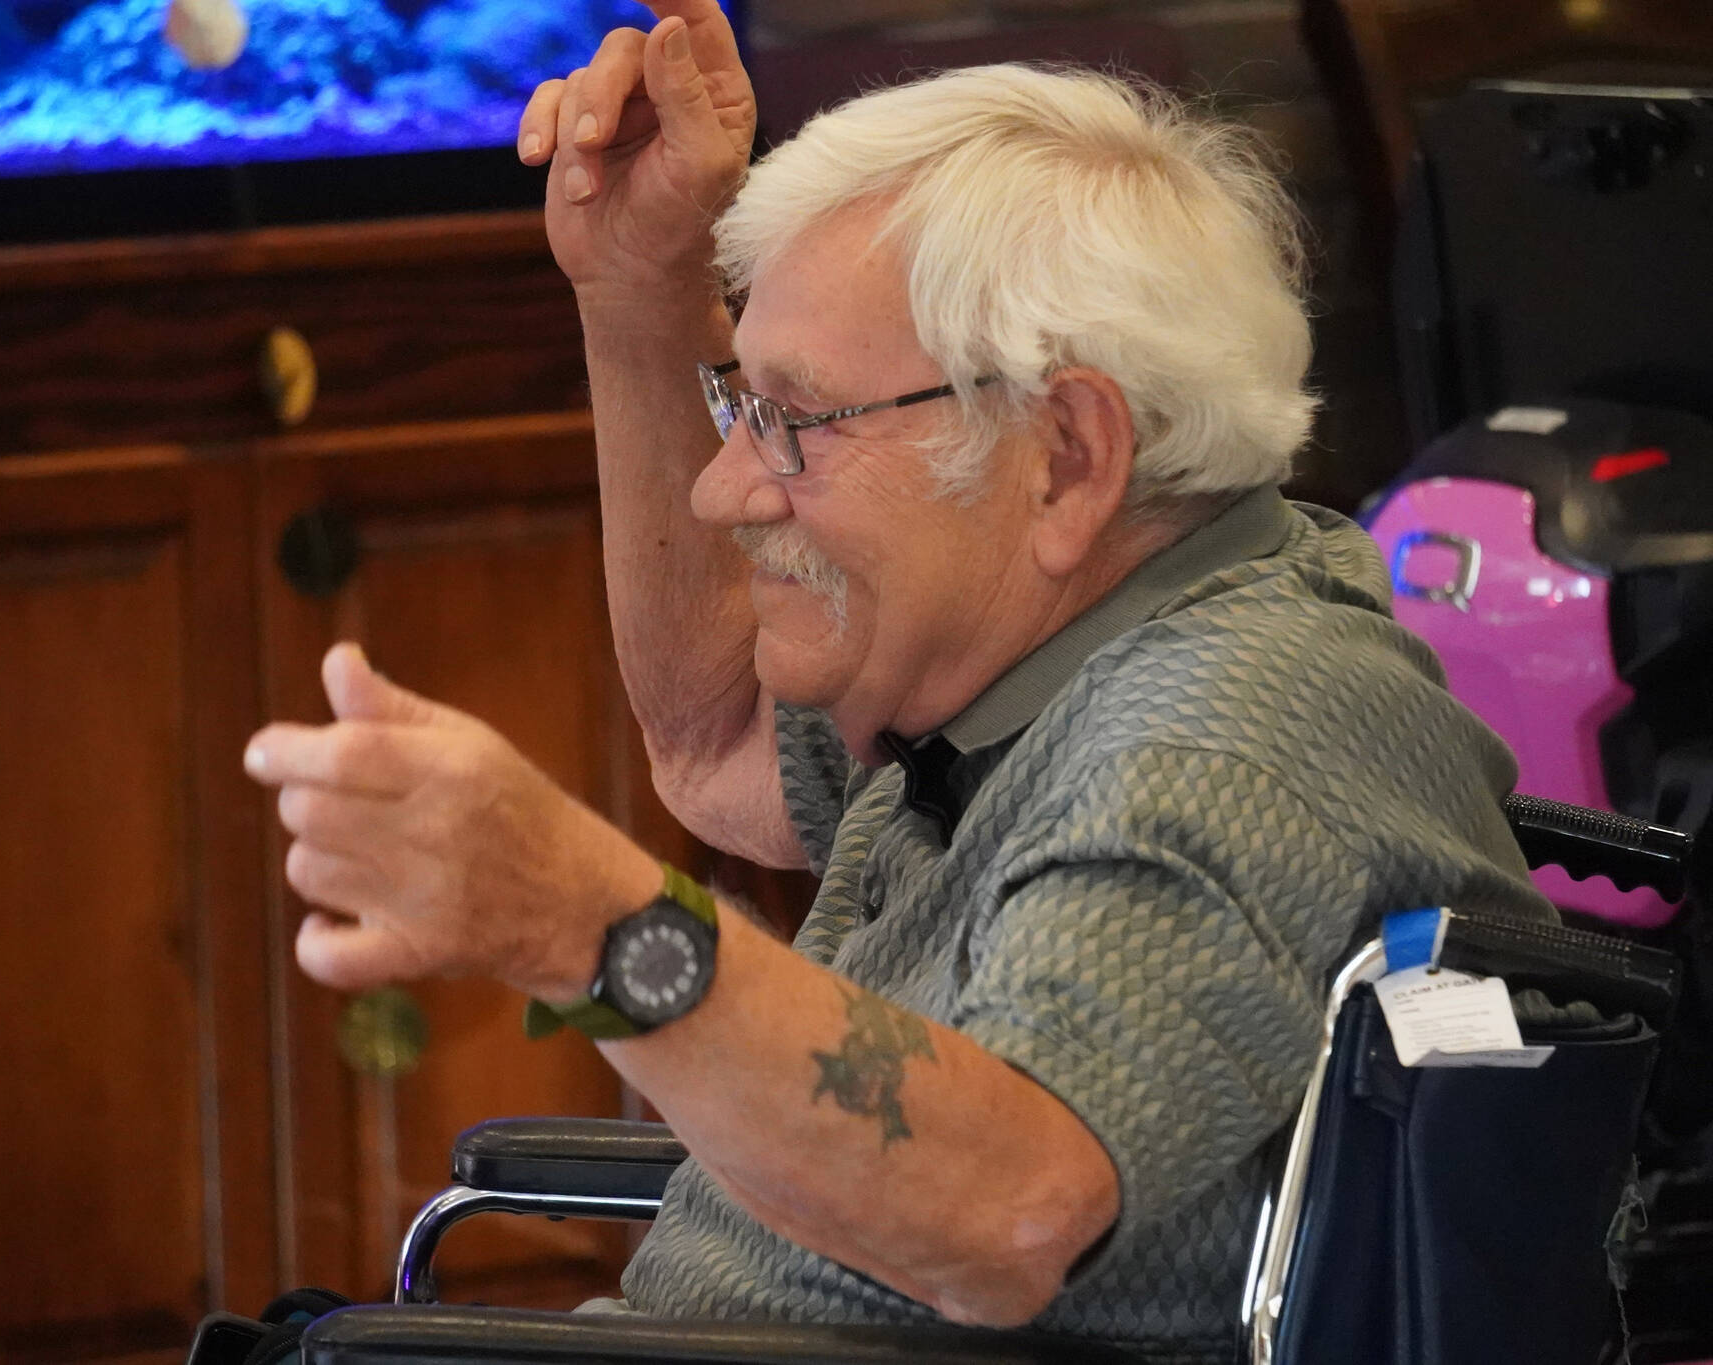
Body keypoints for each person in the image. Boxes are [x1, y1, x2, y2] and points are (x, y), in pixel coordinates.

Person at [240, 3, 1554, 1357]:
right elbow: (720, 742)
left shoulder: (1218, 747)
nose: (726, 484)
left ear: (1065, 451)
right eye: (743, 409)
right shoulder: (1068, 647)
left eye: (797, 421)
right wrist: (638, 284)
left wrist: (582, 926)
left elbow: (1009, 1206)